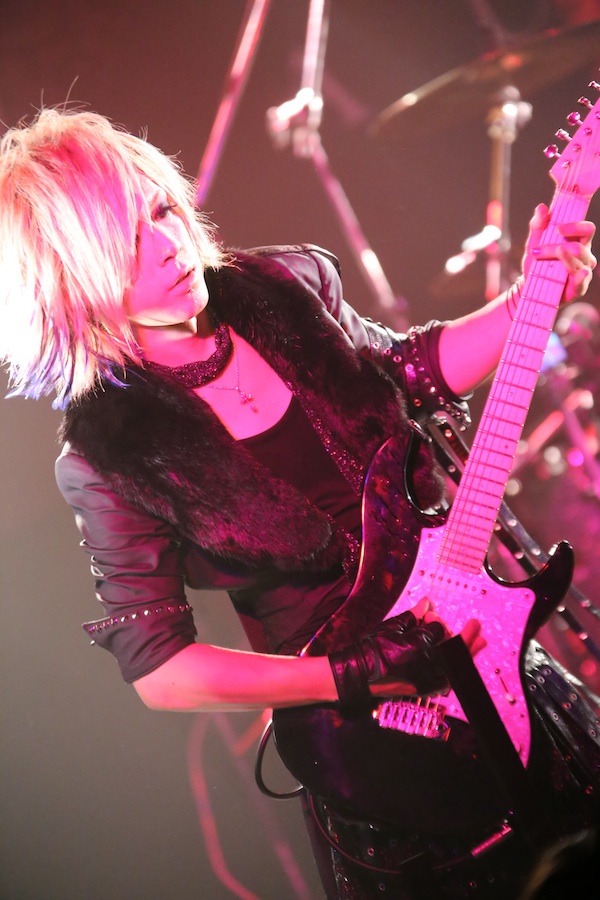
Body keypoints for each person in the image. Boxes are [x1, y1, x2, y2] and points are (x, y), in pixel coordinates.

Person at [0, 107, 597, 898]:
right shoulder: (108, 454)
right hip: (384, 758)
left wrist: (532, 296)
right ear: (71, 281)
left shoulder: (282, 287)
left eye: (163, 210)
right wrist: (348, 675)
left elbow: (407, 372)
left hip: (497, 663)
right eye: (127, 244)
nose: (170, 246)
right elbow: (161, 670)